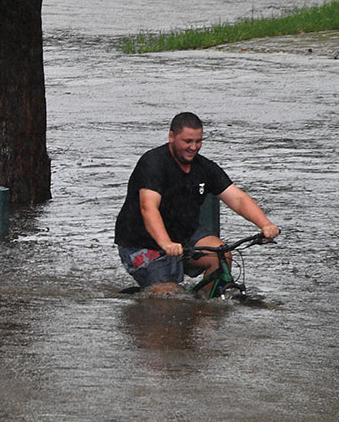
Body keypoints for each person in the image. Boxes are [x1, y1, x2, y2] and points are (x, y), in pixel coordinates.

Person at [115, 112, 279, 291]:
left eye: (198, 141)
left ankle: (206, 310)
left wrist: (265, 224)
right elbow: (148, 208)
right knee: (168, 297)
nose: (193, 147)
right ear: (171, 137)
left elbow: (237, 199)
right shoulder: (153, 164)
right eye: (187, 141)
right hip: (143, 242)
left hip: (184, 235)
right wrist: (166, 243)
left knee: (221, 255)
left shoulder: (204, 167)